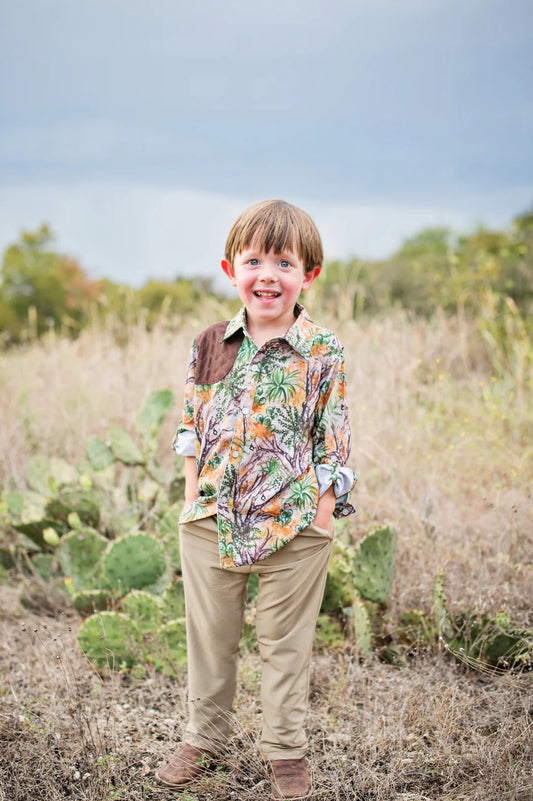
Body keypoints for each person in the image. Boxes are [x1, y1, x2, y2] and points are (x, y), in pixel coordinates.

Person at [156, 199, 356, 800]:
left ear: (308, 275)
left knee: (284, 646)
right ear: (229, 270)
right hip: (213, 517)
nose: (267, 274)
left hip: (295, 525)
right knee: (210, 638)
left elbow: (334, 438)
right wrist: (193, 495)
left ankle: (286, 754)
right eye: (254, 261)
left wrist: (321, 516)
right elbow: (192, 425)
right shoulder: (211, 342)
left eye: (284, 263)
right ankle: (205, 738)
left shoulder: (323, 350)